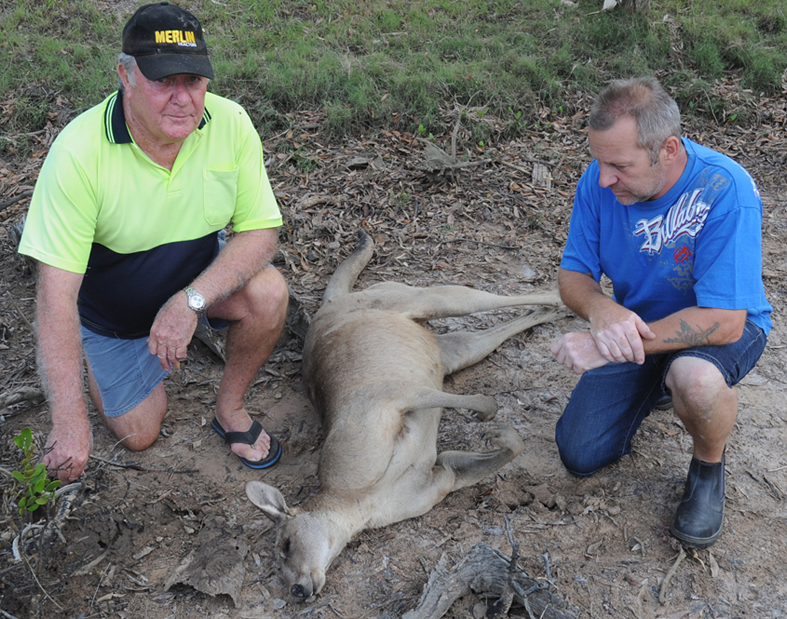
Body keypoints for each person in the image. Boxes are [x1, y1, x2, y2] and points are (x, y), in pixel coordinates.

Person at [18, 2, 289, 482]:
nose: (182, 98)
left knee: (268, 293)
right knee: (139, 433)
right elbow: (55, 297)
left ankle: (230, 409)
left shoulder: (231, 124)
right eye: (164, 80)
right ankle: (100, 352)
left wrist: (190, 302)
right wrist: (69, 421)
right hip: (112, 318)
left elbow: (261, 232)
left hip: (193, 286)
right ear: (125, 75)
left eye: (194, 80)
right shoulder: (78, 153)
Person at [550, 76, 772, 549]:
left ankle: (708, 469)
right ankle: (663, 384)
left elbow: (725, 320)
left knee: (695, 379)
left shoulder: (723, 187)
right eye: (599, 161)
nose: (605, 178)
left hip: (723, 328)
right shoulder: (599, 179)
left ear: (667, 148)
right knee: (580, 452)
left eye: (620, 166)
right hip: (640, 324)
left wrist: (604, 345)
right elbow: (573, 277)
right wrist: (602, 312)